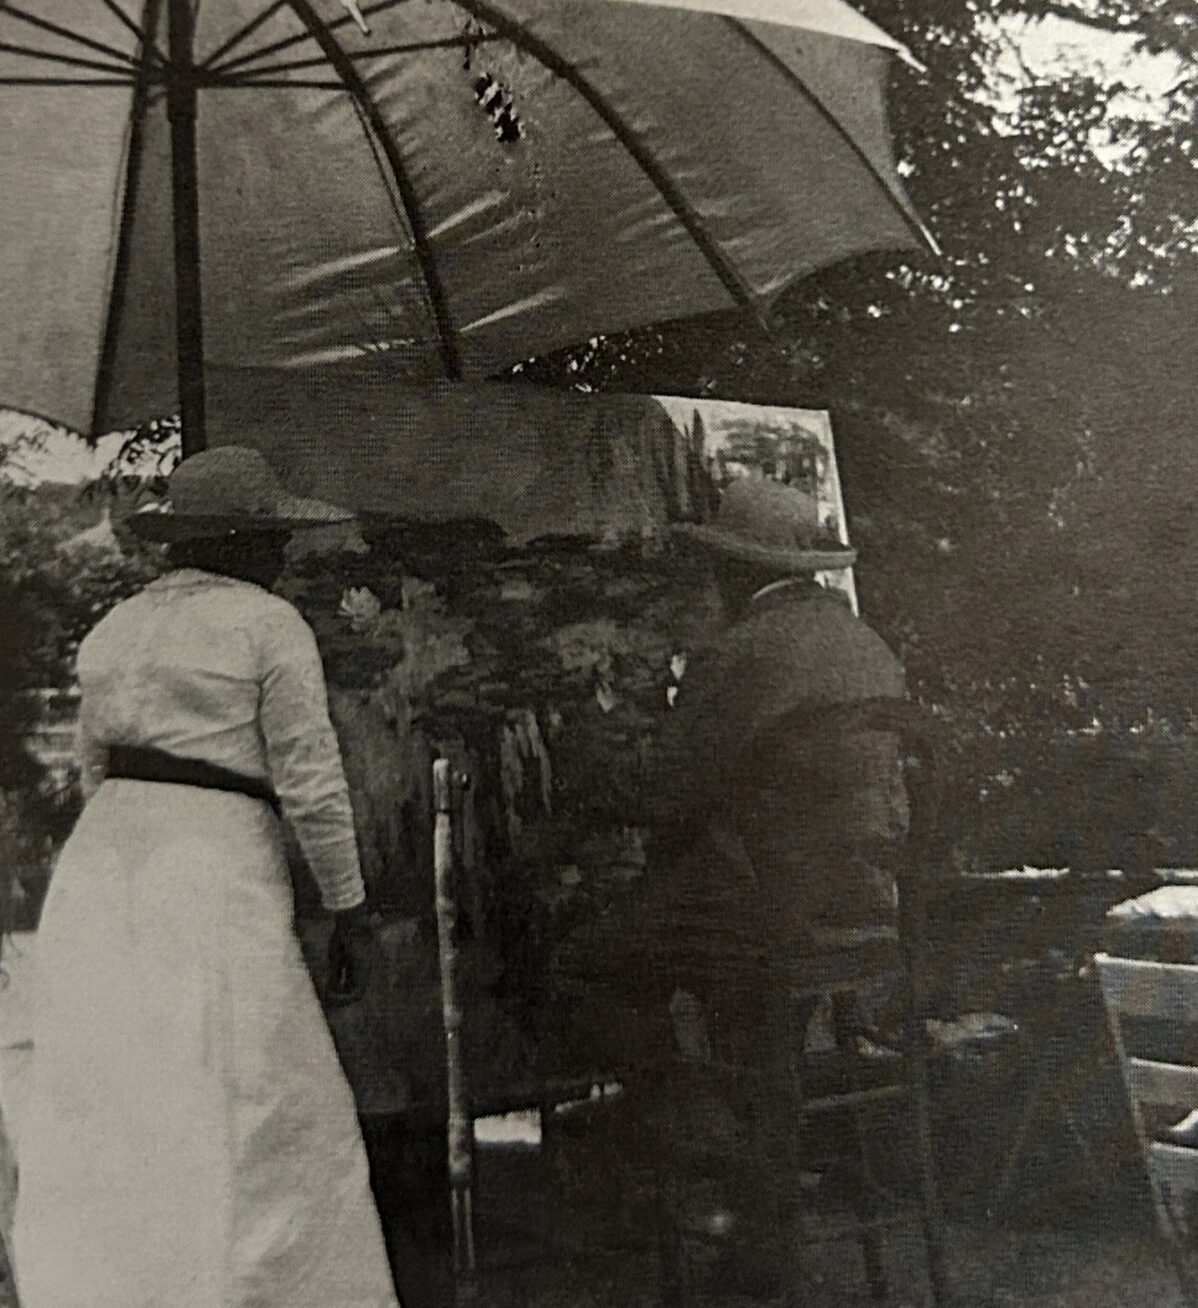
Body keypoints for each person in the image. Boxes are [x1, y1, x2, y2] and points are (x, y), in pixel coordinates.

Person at [13, 446, 401, 1308]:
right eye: (272, 539)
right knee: (250, 1081)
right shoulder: (267, 624)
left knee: (131, 1083)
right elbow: (311, 779)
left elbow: (89, 772)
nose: (281, 556)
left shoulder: (114, 629)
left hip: (108, 861)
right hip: (211, 861)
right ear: (242, 542)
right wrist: (349, 905)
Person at [643, 475, 912, 1296]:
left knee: (589, 966)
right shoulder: (867, 643)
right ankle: (765, 1220)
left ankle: (714, 1166)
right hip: (866, 913)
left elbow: (668, 793)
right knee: (762, 1017)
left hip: (780, 917)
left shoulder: (744, 651)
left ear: (732, 570)